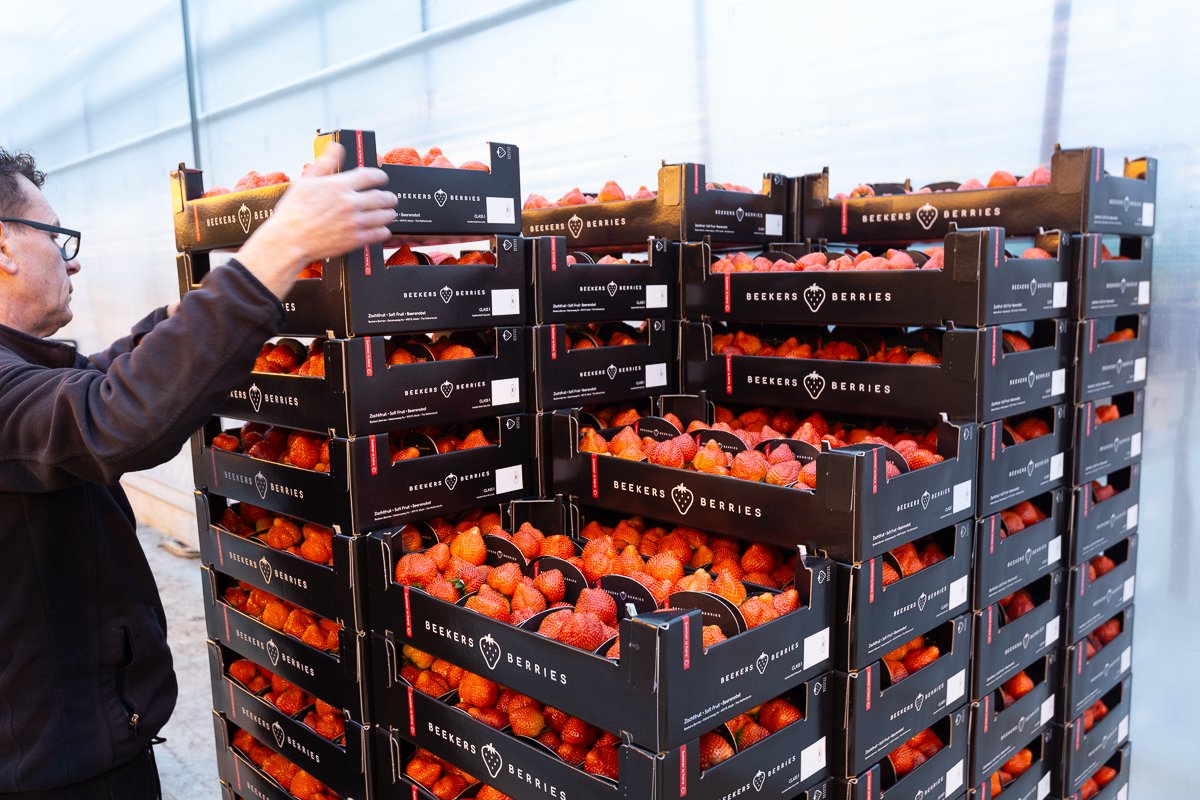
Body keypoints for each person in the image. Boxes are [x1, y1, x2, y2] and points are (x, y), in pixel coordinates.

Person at [0, 143, 395, 797]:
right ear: (6, 249)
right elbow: (109, 419)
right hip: (47, 765)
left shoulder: (23, 370)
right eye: (55, 236)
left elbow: (99, 380)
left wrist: (265, 278)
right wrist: (276, 248)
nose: (70, 257)